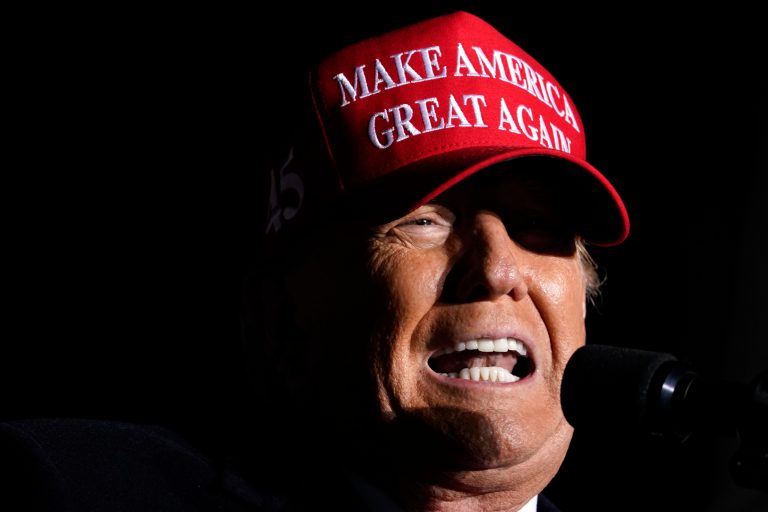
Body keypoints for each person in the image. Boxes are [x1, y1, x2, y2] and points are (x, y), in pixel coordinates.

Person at [1, 8, 633, 512]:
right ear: (284, 316)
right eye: (422, 222)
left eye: (538, 227)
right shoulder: (66, 489)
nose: (496, 271)